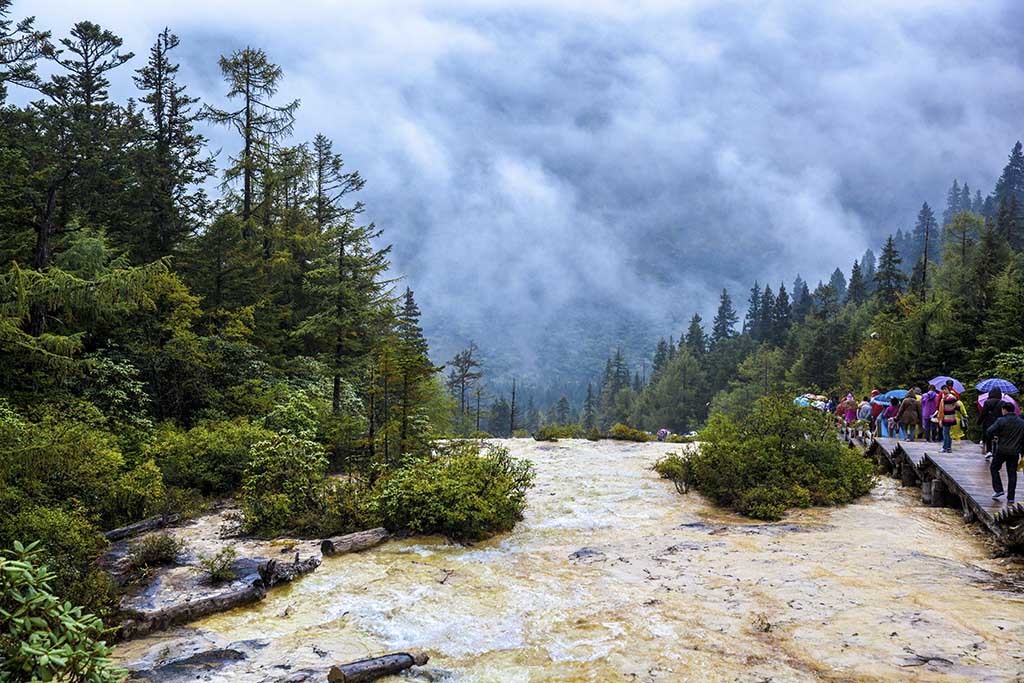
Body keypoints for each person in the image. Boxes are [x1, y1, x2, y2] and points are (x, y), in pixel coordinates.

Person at [985, 402, 1022, 504]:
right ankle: (1011, 497)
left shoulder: (1001, 421)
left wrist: (996, 436)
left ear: (1004, 410)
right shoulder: (1021, 422)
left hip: (1001, 450)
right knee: (1012, 474)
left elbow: (989, 431)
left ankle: (999, 489)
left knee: (994, 468)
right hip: (1014, 452)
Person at [979, 387, 1004, 459]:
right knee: (997, 437)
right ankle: (996, 451)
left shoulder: (987, 402)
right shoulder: (1003, 403)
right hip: (999, 422)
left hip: (988, 422)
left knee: (988, 436)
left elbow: (983, 413)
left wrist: (979, 422)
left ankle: (989, 451)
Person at [934, 385, 959, 453]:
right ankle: (948, 448)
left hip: (947, 417)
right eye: (942, 389)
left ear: (948, 390)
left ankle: (945, 447)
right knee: (947, 433)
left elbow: (957, 406)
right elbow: (957, 406)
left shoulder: (949, 398)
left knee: (945, 433)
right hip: (950, 417)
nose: (944, 391)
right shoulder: (948, 397)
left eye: (945, 389)